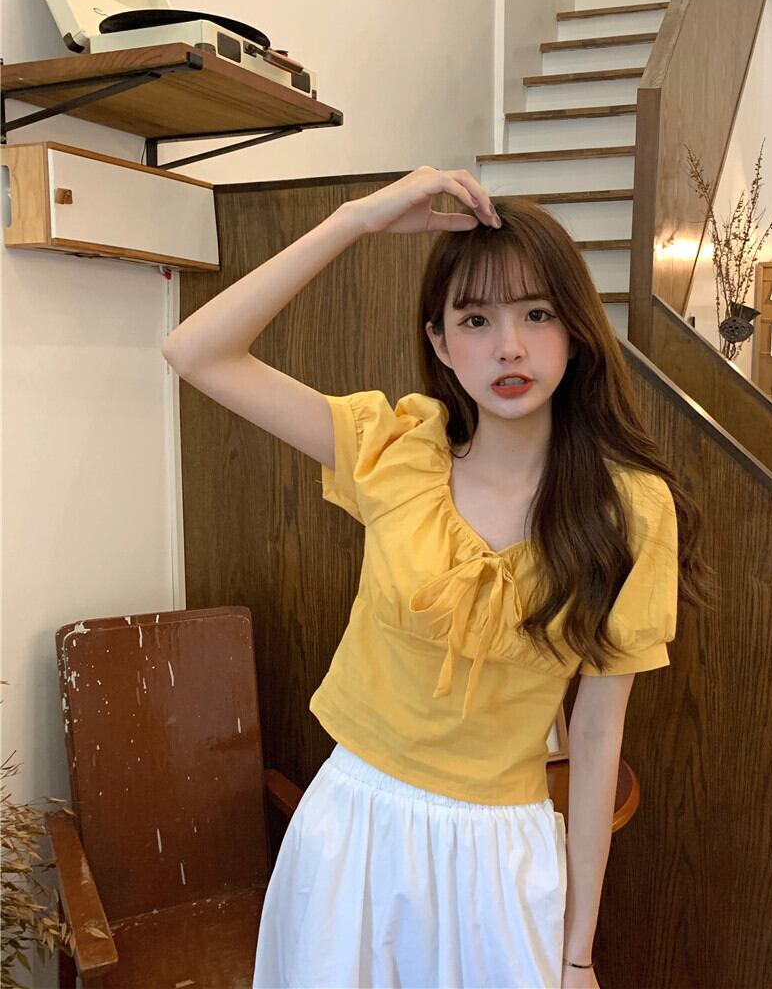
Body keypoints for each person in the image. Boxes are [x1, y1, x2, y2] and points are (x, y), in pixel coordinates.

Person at [161, 167, 711, 989]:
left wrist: (577, 952)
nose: (510, 346)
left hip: (500, 850)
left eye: (537, 313)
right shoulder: (396, 453)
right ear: (442, 344)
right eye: (476, 319)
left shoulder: (629, 509)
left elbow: (598, 739)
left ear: (576, 331)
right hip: (352, 829)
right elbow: (195, 351)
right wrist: (355, 219)